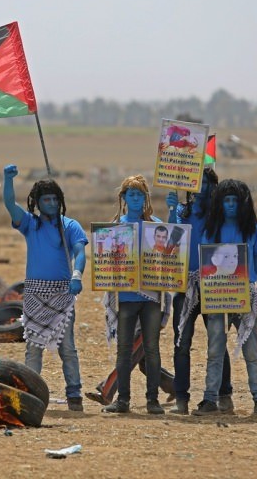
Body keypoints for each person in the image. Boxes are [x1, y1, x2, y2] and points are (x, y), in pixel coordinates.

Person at [2, 164, 88, 412]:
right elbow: (9, 204)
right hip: (35, 294)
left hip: (63, 292)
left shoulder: (69, 226)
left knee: (67, 348)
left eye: (54, 199)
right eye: (45, 199)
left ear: (60, 201)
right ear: (37, 203)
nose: (50, 203)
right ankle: (29, 393)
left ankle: (74, 395)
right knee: (33, 348)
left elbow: (80, 252)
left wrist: (76, 274)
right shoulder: (31, 224)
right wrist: (8, 180)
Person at [191, 179, 257, 417]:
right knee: (215, 348)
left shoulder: (253, 229)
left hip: (245, 294)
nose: (230, 205)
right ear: (219, 203)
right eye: (226, 200)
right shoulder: (210, 230)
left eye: (234, 200)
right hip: (216, 294)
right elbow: (207, 264)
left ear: (243, 203)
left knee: (251, 350)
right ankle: (209, 400)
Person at [100, 174, 170, 415]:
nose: (136, 199)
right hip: (127, 298)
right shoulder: (116, 227)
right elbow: (107, 262)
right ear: (124, 198)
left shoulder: (157, 226)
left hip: (151, 298)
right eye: (132, 194)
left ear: (146, 198)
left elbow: (169, 259)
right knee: (124, 349)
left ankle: (153, 400)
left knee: (152, 348)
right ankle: (123, 400)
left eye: (140, 195)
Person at [167, 167, 234, 415]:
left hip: (214, 282)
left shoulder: (219, 215)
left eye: (206, 182)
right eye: (198, 182)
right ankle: (181, 399)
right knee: (181, 343)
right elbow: (173, 240)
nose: (202, 187)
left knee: (217, 342)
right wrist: (173, 210)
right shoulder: (184, 212)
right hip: (185, 285)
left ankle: (224, 395)